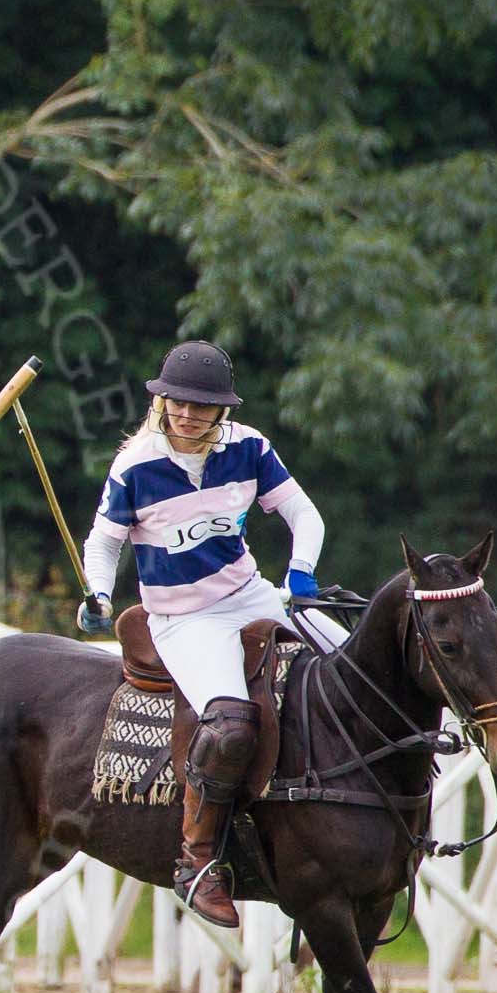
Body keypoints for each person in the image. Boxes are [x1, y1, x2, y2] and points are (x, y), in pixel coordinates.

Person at [77, 341, 344, 929]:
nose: (188, 414)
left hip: (251, 595)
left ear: (221, 410)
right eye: (178, 402)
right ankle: (199, 861)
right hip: (183, 619)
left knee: (349, 670)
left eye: (202, 406)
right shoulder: (137, 465)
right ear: (162, 400)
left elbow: (305, 514)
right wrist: (98, 591)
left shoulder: (248, 447)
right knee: (229, 725)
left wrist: (301, 571)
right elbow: (105, 542)